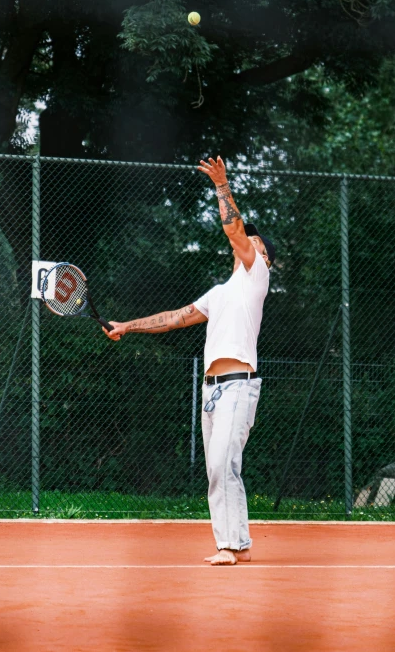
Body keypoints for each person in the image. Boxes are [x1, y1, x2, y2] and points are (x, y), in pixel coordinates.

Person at [104, 155, 275, 566]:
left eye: (257, 242)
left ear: (261, 254)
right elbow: (173, 319)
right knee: (221, 467)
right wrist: (127, 325)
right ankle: (240, 543)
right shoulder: (219, 293)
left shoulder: (258, 277)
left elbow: (234, 228)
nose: (251, 242)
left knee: (220, 463)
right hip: (212, 392)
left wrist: (222, 185)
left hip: (238, 384)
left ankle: (229, 547)